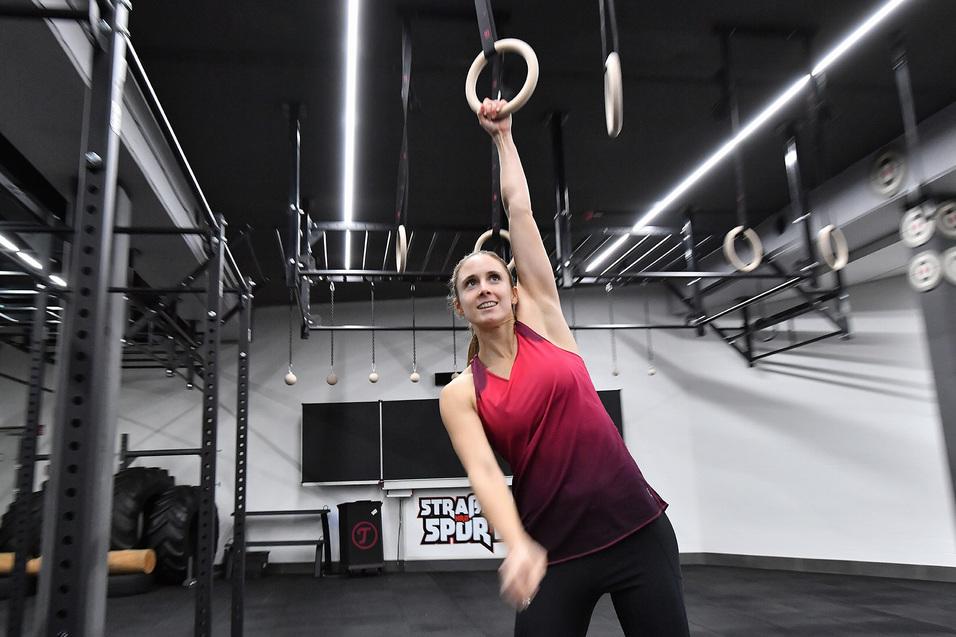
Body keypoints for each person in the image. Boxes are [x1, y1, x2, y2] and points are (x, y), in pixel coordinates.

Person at [438, 98, 691, 637]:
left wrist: (503, 138)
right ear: (460, 307)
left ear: (514, 291)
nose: (484, 288)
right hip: (551, 550)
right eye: (470, 284)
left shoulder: (547, 322)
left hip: (636, 530)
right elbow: (484, 473)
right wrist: (517, 545)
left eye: (494, 278)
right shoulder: (460, 393)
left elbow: (520, 211)